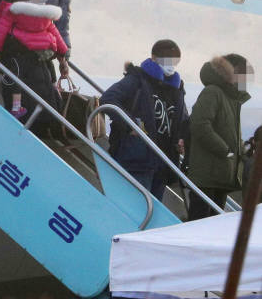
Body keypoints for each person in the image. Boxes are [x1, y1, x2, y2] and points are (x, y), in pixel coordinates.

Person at [101, 39, 189, 202]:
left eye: (174, 61)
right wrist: (131, 124)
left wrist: (183, 138)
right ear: (154, 57)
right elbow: (108, 98)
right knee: (135, 208)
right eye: (166, 59)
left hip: (164, 163)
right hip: (138, 159)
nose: (170, 64)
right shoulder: (138, 79)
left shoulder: (176, 89)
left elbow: (183, 119)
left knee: (153, 212)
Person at [0, 0, 68, 128]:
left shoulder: (13, 11)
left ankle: (16, 108)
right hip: (43, 53)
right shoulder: (46, 15)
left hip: (19, 51)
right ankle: (53, 112)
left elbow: (1, 29)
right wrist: (63, 51)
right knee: (47, 82)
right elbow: (54, 32)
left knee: (15, 81)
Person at [187, 54, 253, 219]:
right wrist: (225, 151)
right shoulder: (213, 92)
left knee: (214, 227)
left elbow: (228, 134)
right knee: (200, 226)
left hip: (221, 176)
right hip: (207, 177)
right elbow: (200, 124)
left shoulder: (232, 99)